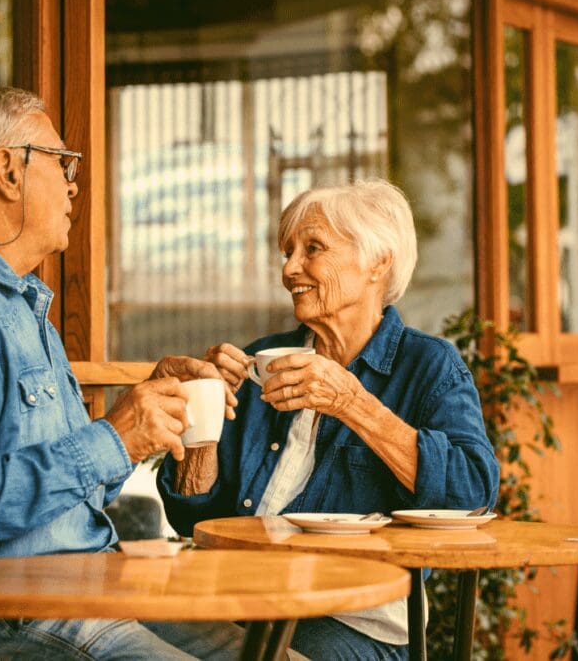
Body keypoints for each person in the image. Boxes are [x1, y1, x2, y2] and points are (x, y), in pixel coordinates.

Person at [0, 85, 244, 660]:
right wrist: (113, 437)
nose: (74, 181)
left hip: (81, 591)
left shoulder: (17, 302)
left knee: (271, 653)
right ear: (9, 170)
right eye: (62, 161)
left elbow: (68, 491)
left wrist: (136, 423)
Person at [157, 179, 500, 660]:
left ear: (377, 263)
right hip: (240, 602)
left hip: (354, 625)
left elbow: (473, 495)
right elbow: (193, 518)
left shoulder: (428, 367)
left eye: (312, 248)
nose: (289, 268)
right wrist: (204, 420)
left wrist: (353, 403)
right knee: (117, 632)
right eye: (287, 251)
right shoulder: (262, 361)